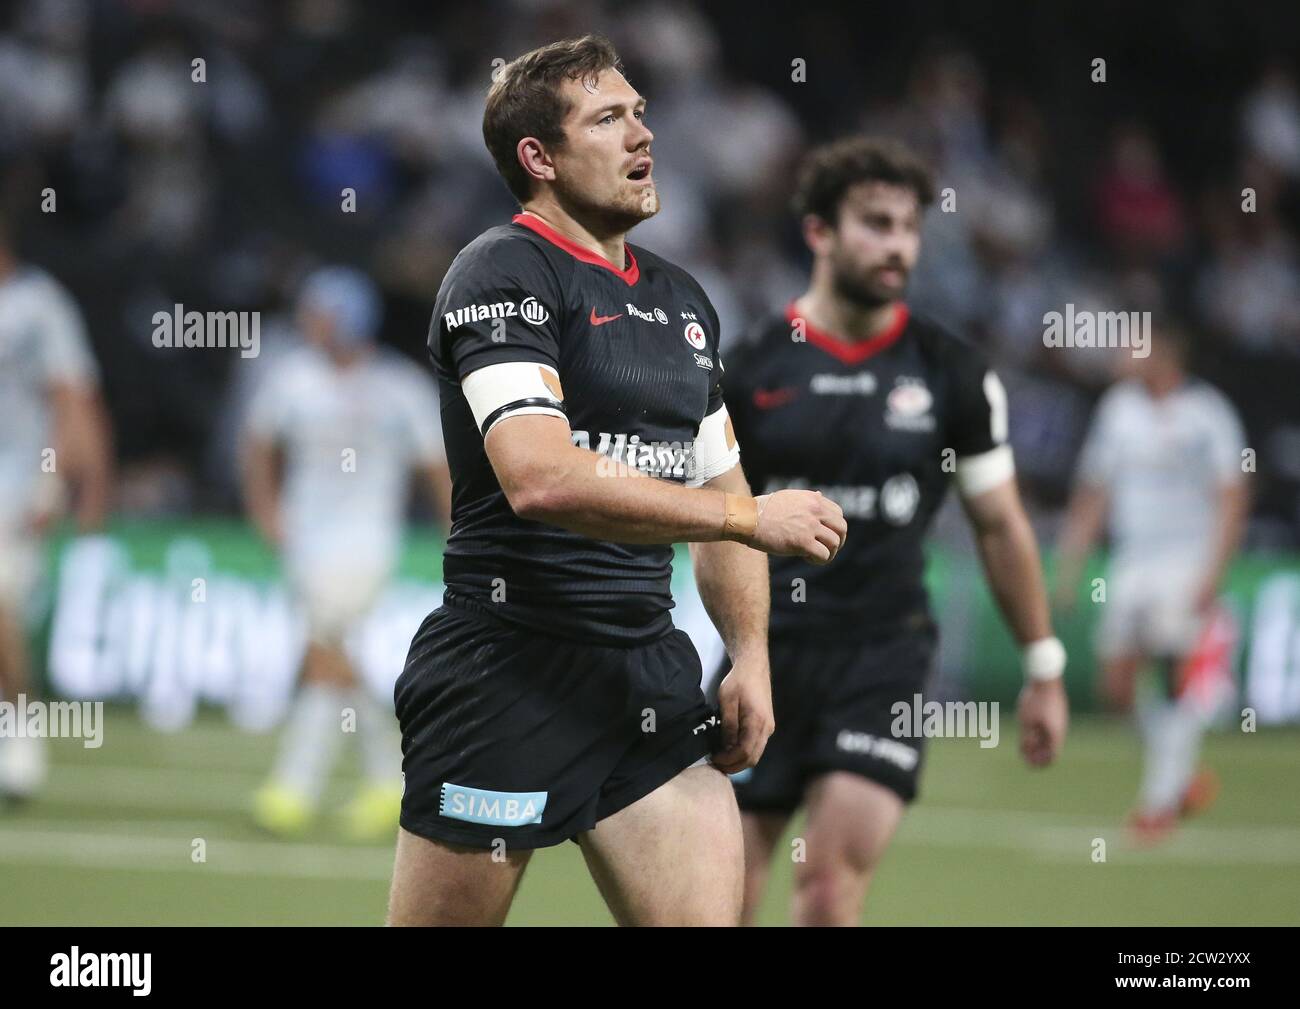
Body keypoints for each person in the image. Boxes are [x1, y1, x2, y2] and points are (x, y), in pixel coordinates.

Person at [387, 35, 846, 927]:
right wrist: (749, 521)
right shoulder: (501, 271)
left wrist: (749, 653)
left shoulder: (681, 301)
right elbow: (542, 479)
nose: (642, 133)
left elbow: (721, 475)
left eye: (639, 112)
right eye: (608, 118)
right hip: (504, 672)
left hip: (644, 676)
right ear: (540, 158)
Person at [710, 136, 1069, 925]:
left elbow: (1001, 525)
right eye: (875, 224)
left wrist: (1044, 665)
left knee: (830, 890)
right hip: (765, 651)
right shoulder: (751, 368)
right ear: (819, 233)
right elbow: (715, 525)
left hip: (884, 659)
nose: (897, 245)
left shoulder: (951, 371)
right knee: (718, 898)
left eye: (908, 227)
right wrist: (741, 652)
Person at [242, 266, 450, 839]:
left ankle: (294, 786)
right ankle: (389, 781)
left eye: (320, 311)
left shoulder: (396, 387)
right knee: (338, 662)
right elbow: (258, 445)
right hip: (304, 543)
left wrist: (457, 533)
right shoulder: (291, 379)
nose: (309, 322)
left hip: (363, 546)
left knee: (321, 654)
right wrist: (264, 509)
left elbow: (437, 469)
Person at [1054, 323, 1247, 843]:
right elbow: (1093, 490)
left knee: (1174, 675)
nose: (1123, 354)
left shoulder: (1208, 413)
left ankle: (1159, 801)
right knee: (1115, 686)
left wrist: (1213, 570)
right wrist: (1071, 565)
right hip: (1131, 562)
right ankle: (1180, 775)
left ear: (1165, 352)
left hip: (1186, 560)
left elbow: (1233, 494)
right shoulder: (1118, 410)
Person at [0, 218, 112, 802]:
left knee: (2, 613)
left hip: (13, 483)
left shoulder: (38, 307)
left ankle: (19, 734)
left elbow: (72, 397)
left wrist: (56, 486)